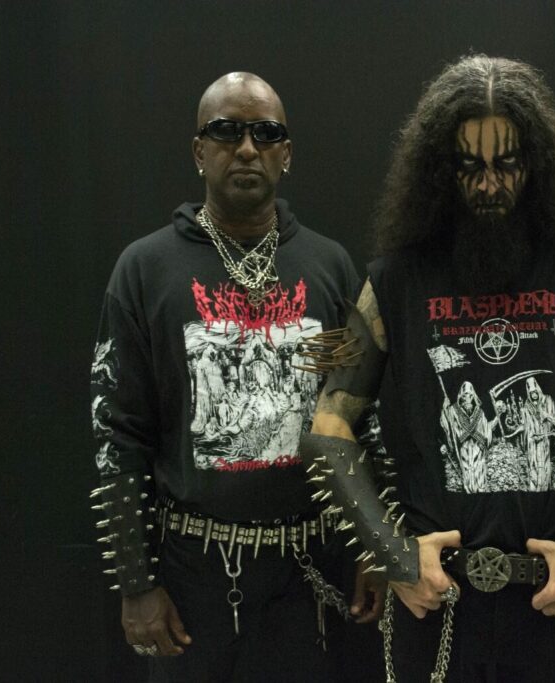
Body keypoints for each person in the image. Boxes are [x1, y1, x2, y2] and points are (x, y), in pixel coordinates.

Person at [298, 53, 555, 683]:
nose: (490, 185)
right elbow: (329, 430)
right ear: (440, 171)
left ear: (537, 165)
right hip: (438, 607)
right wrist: (394, 556)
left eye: (507, 164)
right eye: (469, 166)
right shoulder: (393, 282)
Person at [89, 72, 383, 681]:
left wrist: (374, 547)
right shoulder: (144, 269)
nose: (247, 147)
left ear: (287, 154)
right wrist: (136, 583)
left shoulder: (329, 265)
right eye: (226, 131)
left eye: (265, 133)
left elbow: (364, 418)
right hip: (190, 575)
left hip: (309, 573)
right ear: (200, 151)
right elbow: (117, 433)